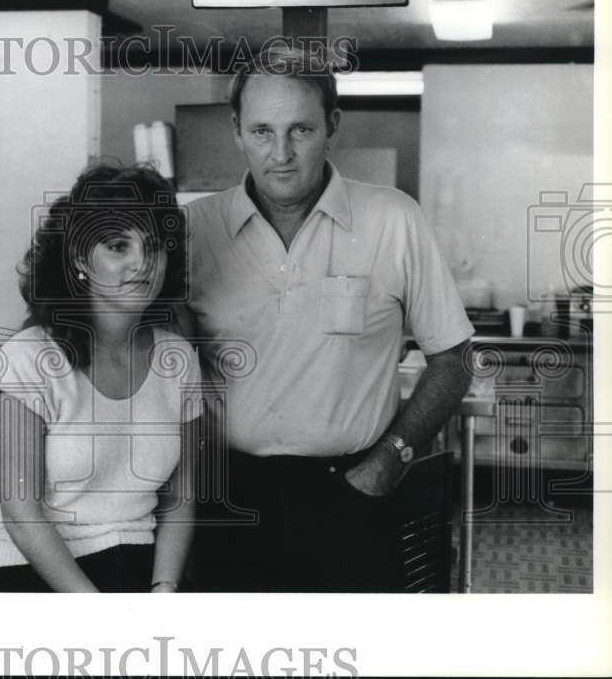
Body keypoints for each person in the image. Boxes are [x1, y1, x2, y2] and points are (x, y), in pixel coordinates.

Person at [181, 45, 474, 592]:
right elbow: (159, 362)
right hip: (227, 497)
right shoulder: (194, 229)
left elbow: (454, 359)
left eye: (301, 130)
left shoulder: (393, 218)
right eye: (263, 131)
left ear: (332, 125)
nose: (281, 153)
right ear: (236, 130)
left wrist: (392, 457)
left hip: (354, 492)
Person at [0, 165, 201, 592]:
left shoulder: (179, 358)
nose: (142, 263)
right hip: (45, 577)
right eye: (118, 245)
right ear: (80, 258)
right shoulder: (26, 358)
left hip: (145, 571)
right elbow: (23, 515)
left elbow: (181, 499)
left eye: (154, 246)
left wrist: (163, 590)